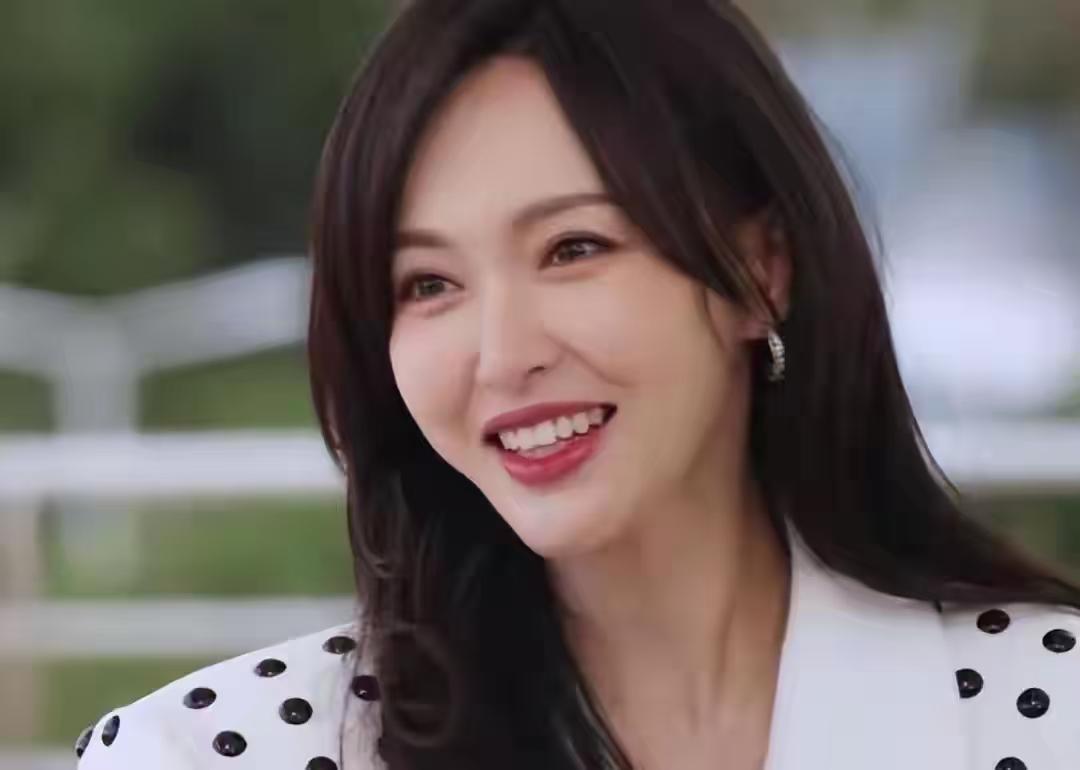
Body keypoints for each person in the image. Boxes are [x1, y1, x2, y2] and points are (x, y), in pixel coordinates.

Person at [75, 0, 1080, 768]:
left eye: (573, 248)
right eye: (427, 284)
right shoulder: (207, 752)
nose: (501, 354)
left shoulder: (1049, 709)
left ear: (758, 271)